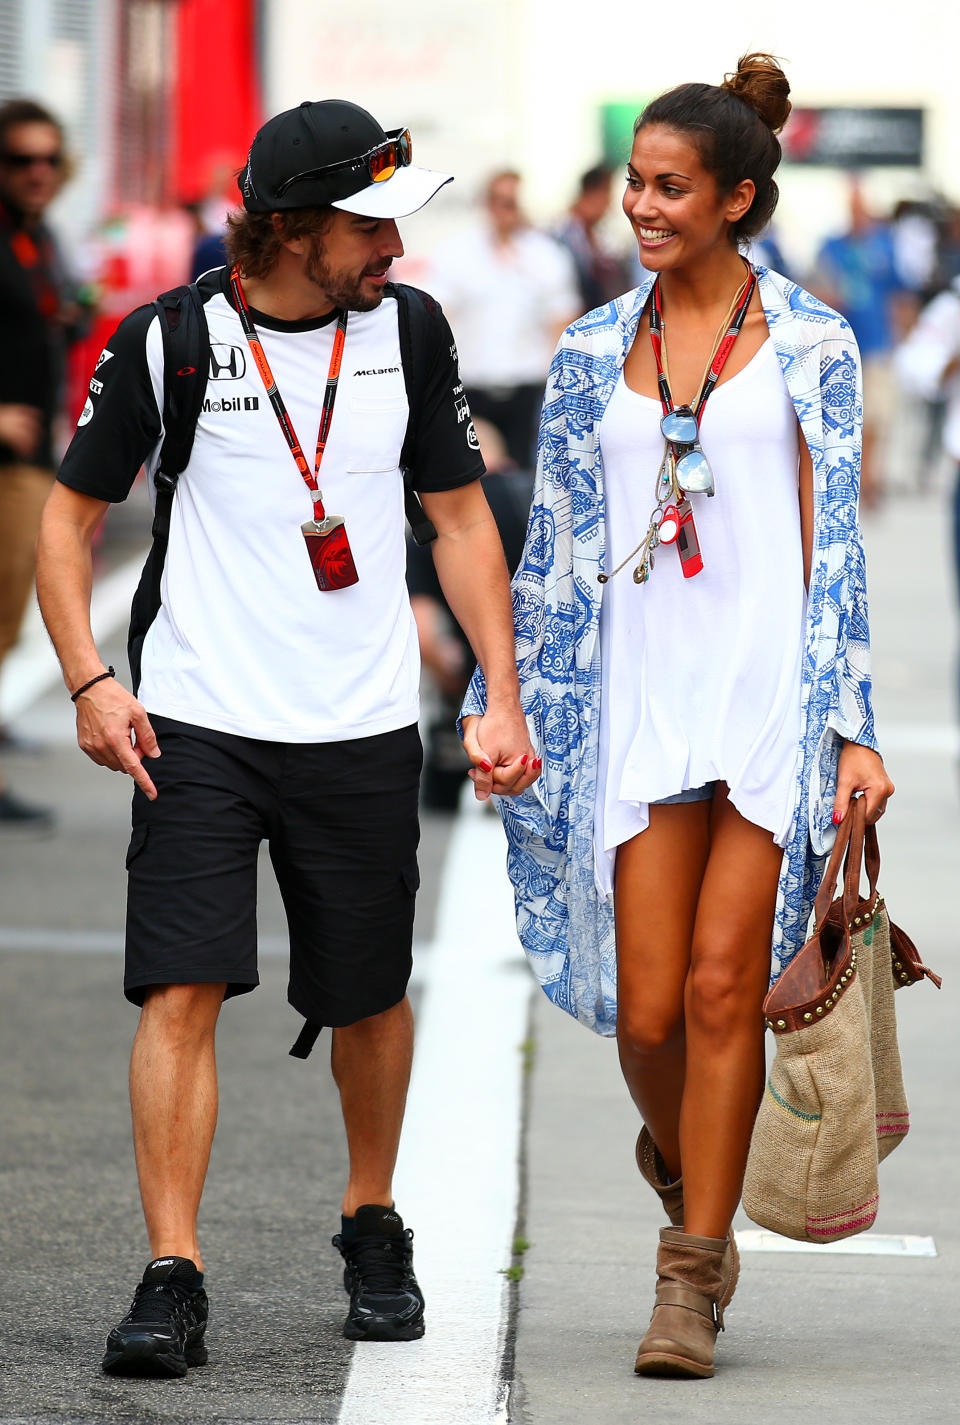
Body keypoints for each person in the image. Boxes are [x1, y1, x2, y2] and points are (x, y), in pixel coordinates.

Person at [35, 98, 538, 1377]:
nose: (395, 250)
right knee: (180, 988)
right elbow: (66, 520)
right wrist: (91, 681)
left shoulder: (411, 333)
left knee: (369, 996)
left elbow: (464, 524)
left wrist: (500, 692)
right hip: (196, 723)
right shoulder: (172, 343)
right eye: (372, 225)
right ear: (294, 225)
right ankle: (172, 1269)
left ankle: (373, 1222)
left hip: (362, 722)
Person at [462, 54, 894, 1380]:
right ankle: (684, 1156)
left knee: (722, 988)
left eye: (669, 187)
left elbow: (840, 547)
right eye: (637, 184)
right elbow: (553, 548)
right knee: (647, 1011)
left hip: (769, 696)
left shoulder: (818, 345)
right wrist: (507, 700)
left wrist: (855, 724)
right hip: (638, 696)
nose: (641, 206)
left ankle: (691, 1277)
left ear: (737, 198)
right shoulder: (594, 352)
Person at [0, 98, 88, 827]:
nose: (36, 172)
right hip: (8, 457)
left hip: (36, 451)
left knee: (8, 619)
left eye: (48, 159)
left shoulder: (40, 237)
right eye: (19, 159)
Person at [407, 417, 533, 810]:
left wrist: (456, 681)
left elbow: (424, 630)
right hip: (544, 678)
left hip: (468, 688)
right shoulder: (530, 501)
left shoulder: (436, 517)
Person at [427, 169, 579, 466]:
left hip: (527, 389)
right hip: (471, 388)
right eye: (498, 200)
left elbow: (562, 321)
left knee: (526, 478)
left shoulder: (545, 255)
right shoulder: (457, 253)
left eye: (511, 202)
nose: (504, 209)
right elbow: (438, 316)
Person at [812, 179, 912, 508]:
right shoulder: (832, 247)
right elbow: (814, 289)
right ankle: (854, 478)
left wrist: (904, 336)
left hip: (878, 344)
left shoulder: (884, 245)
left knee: (875, 418)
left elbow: (900, 293)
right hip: (840, 344)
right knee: (843, 418)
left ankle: (868, 478)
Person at [552, 165, 628, 315]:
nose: (609, 204)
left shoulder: (596, 236)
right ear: (592, 193)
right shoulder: (562, 234)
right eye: (607, 195)